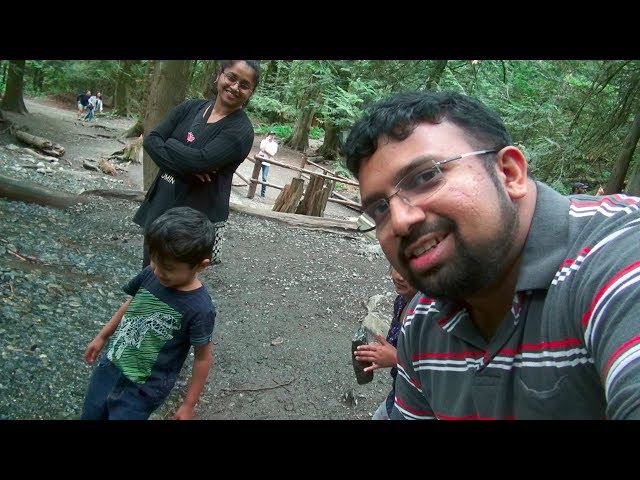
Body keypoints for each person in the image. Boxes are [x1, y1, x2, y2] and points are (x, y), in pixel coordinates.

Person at [343, 90, 640, 419]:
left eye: (426, 176)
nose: (399, 220)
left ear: (509, 173)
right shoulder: (423, 319)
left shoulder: (616, 256)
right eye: (380, 208)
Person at [81, 206, 217, 420]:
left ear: (200, 265)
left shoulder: (200, 308)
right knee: (91, 414)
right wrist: (103, 335)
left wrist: (189, 404)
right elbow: (132, 303)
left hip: (143, 390)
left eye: (168, 268)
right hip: (111, 366)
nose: (157, 271)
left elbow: (203, 357)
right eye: (154, 261)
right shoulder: (150, 275)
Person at [133, 60, 260, 267]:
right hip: (161, 199)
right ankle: (142, 299)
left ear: (251, 92)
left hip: (193, 217)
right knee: (148, 268)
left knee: (173, 278)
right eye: (232, 77)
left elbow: (200, 161)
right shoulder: (190, 107)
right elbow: (152, 140)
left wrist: (171, 143)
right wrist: (188, 168)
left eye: (244, 85)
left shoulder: (241, 131)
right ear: (219, 74)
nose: (235, 87)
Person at [354, 266, 417, 420]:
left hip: (418, 407)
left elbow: (440, 375)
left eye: (410, 270)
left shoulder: (430, 317)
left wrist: (397, 358)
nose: (398, 276)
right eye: (395, 265)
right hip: (398, 394)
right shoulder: (402, 301)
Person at [257, 130, 278, 197]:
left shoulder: (275, 144)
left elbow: (272, 153)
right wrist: (266, 142)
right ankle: (252, 189)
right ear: (268, 135)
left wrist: (266, 152)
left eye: (273, 135)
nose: (272, 136)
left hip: (267, 162)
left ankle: (263, 193)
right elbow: (262, 149)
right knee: (255, 175)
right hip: (260, 160)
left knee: (264, 178)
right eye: (271, 135)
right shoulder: (264, 141)